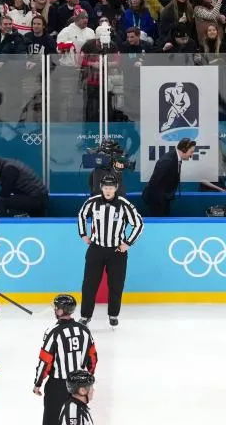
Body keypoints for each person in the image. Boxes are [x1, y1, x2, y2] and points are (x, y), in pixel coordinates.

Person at [77, 173, 144, 327]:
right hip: (96, 249)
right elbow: (81, 215)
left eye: (111, 188)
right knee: (89, 284)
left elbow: (139, 224)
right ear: (101, 187)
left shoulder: (124, 204)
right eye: (106, 187)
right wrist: (83, 234)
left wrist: (127, 243)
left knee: (116, 284)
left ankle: (113, 314)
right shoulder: (92, 202)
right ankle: (85, 315)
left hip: (117, 252)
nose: (108, 190)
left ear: (116, 188)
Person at [34, 294, 98, 425]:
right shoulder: (84, 330)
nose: (55, 310)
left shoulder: (53, 332)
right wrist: (86, 379)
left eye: (56, 308)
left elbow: (45, 361)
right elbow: (93, 358)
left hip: (57, 386)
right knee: (74, 419)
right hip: (77, 386)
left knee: (52, 420)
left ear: (61, 310)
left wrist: (38, 383)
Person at [141, 136, 195, 216]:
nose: (192, 155)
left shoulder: (176, 158)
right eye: (191, 152)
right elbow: (154, 183)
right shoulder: (167, 160)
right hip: (157, 202)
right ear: (184, 150)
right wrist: (159, 203)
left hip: (164, 200)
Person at [0, 153, 49, 217]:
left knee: (1, 201)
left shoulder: (8, 169)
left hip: (37, 198)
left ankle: (2, 225)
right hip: (38, 197)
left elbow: (5, 193)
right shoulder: (7, 165)